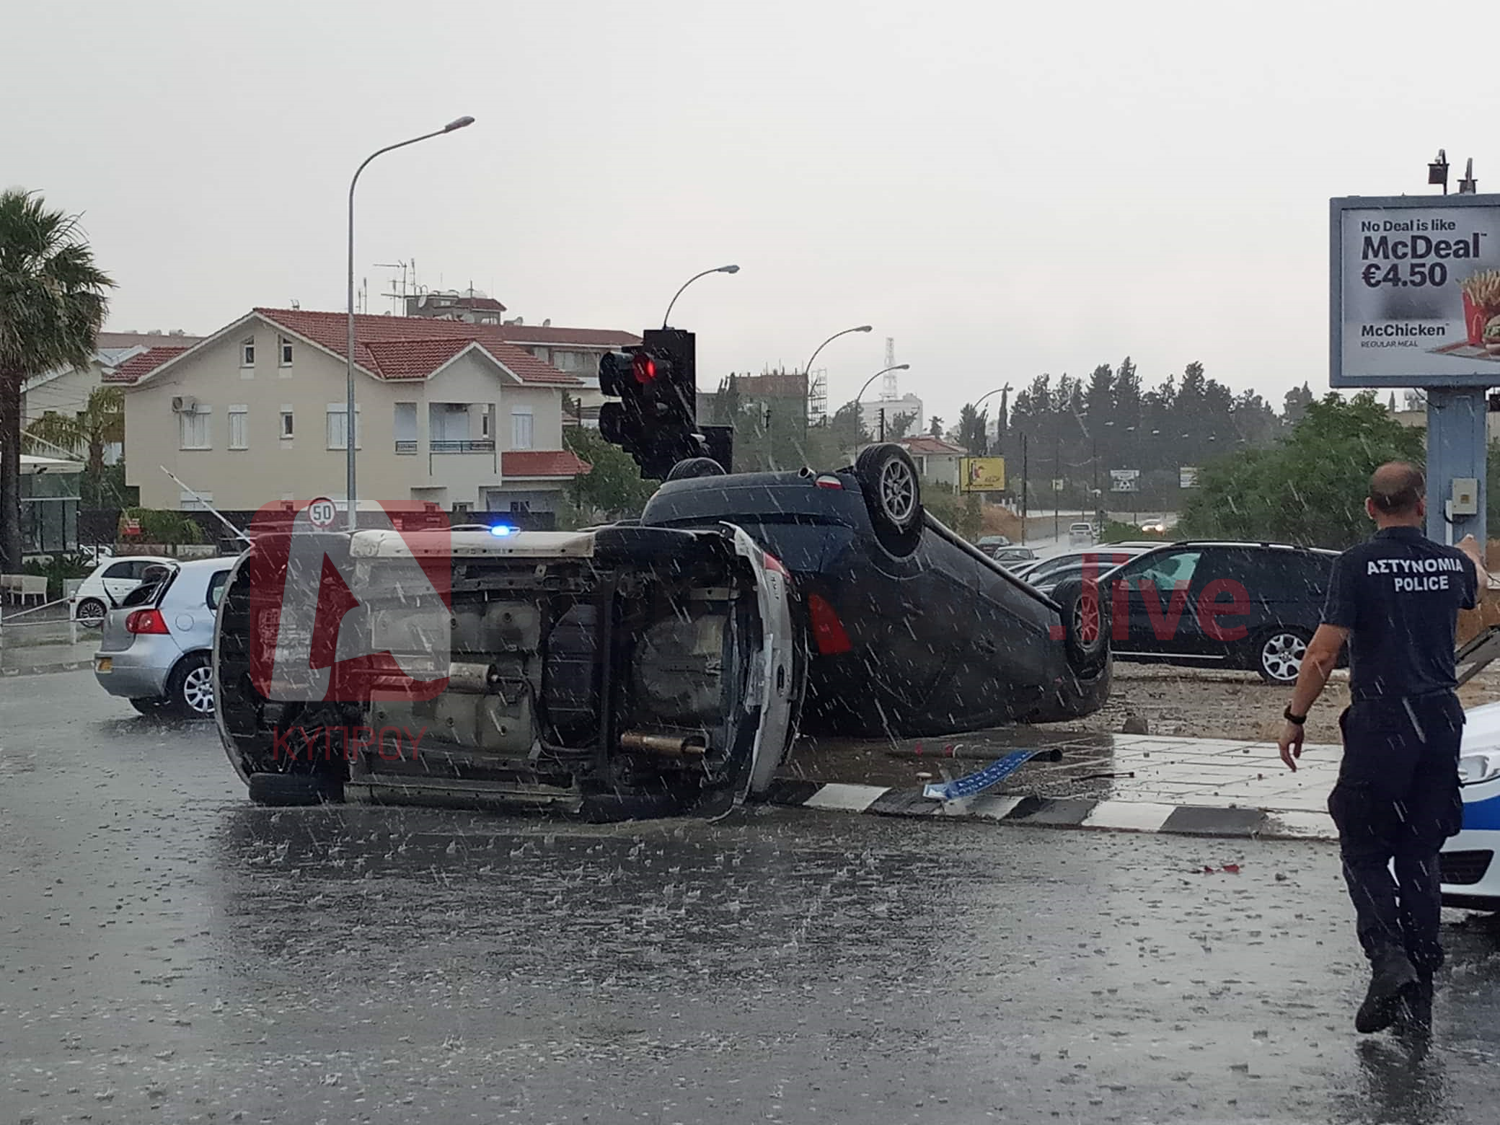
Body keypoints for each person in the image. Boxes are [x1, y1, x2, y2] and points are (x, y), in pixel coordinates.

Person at [1277, 461, 1487, 1037]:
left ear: (1371, 508)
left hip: (1382, 721)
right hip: (1441, 720)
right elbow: (1478, 583)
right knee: (1420, 853)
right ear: (1421, 506)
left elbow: (1321, 654)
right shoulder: (1449, 564)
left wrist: (1295, 717)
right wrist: (1466, 552)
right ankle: (1418, 982)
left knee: (1364, 851)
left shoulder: (1356, 565)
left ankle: (1388, 958)